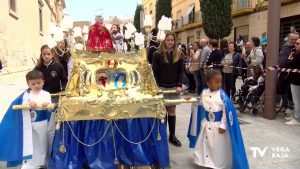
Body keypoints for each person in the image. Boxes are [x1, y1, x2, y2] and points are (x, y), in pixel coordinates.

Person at [187, 69, 249, 169]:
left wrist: (223, 125)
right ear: (208, 82)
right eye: (216, 82)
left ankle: (216, 164)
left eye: (220, 81)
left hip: (217, 126)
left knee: (216, 147)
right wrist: (193, 100)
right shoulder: (204, 93)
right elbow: (201, 102)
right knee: (205, 143)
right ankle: (204, 161)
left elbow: (226, 111)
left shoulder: (222, 96)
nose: (219, 84)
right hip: (207, 124)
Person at [0, 70, 52, 168]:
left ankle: (43, 161)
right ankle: (30, 163)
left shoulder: (46, 94)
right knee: (31, 143)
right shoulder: (26, 96)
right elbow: (19, 104)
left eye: (39, 83)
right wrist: (28, 103)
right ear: (28, 84)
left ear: (43, 82)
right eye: (33, 84)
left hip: (43, 123)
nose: (36, 85)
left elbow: (50, 109)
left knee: (42, 143)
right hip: (29, 124)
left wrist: (47, 105)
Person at [152, 31, 184, 147]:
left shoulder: (179, 54)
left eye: (172, 40)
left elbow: (181, 71)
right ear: (164, 41)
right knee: (162, 111)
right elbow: (154, 72)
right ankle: (162, 134)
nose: (170, 42)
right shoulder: (157, 54)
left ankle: (172, 136)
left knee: (172, 111)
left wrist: (179, 85)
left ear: (175, 41)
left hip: (174, 87)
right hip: (162, 87)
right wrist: (157, 86)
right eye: (168, 40)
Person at [285, 38, 300, 125]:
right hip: (295, 80)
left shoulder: (296, 55)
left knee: (297, 101)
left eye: (298, 43)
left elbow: (289, 63)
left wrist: (291, 55)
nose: (296, 45)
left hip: (296, 81)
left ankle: (297, 119)